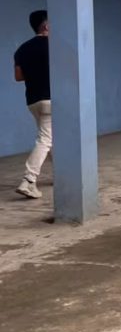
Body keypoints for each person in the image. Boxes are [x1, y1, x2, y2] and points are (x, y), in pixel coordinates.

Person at [13, 10, 51, 199]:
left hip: (33, 101)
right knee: (45, 139)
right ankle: (28, 180)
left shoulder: (22, 49)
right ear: (46, 26)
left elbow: (18, 77)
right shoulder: (55, 46)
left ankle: (63, 174)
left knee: (50, 137)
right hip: (52, 100)